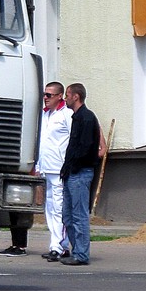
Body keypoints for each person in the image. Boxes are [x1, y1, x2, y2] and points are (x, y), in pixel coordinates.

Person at [59, 82, 101, 266]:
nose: (65, 98)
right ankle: (76, 250)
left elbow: (84, 148)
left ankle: (82, 254)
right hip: (71, 173)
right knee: (67, 215)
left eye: (67, 95)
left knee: (79, 215)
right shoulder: (77, 117)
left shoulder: (87, 118)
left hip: (80, 173)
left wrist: (73, 165)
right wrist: (66, 169)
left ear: (76, 96)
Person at [36, 82, 72, 262]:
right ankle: (56, 244)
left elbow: (73, 140)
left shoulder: (67, 114)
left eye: (49, 95)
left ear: (60, 96)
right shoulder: (44, 115)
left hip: (59, 168)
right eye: (45, 94)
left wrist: (68, 164)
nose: (46, 98)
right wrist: (37, 166)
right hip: (45, 167)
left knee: (58, 207)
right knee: (49, 208)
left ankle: (59, 246)